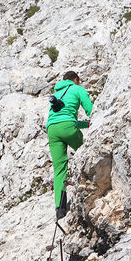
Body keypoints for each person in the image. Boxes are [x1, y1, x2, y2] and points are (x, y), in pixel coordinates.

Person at [46, 71, 94, 220]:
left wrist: (84, 125)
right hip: (68, 128)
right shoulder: (77, 88)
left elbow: (62, 119)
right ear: (75, 80)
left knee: (59, 168)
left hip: (52, 130)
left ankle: (60, 209)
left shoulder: (57, 93)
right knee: (87, 154)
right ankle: (93, 184)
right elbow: (91, 110)